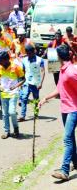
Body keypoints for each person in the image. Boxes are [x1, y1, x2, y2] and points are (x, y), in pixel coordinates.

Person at [38, 45, 77, 181]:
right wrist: (45, 98)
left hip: (73, 109)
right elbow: (60, 89)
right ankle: (76, 163)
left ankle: (64, 170)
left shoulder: (71, 72)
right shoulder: (62, 70)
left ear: (59, 57)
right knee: (71, 138)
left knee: (66, 139)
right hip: (65, 109)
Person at [0, 51, 25, 139]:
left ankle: (16, 128)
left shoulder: (16, 67)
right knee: (5, 114)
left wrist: (15, 86)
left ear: (7, 59)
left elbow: (23, 79)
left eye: (1, 61)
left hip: (14, 93)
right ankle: (6, 131)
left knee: (11, 111)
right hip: (4, 94)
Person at [19, 45, 45, 121]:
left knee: (35, 99)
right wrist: (21, 82)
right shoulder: (24, 60)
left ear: (34, 51)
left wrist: (40, 83)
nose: (29, 55)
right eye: (27, 53)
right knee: (24, 98)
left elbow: (43, 72)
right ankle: (22, 116)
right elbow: (23, 72)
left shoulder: (40, 60)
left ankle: (36, 113)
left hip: (36, 83)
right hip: (26, 82)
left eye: (30, 53)